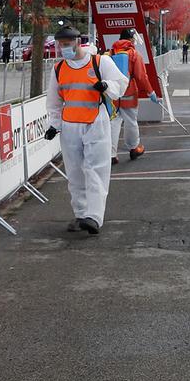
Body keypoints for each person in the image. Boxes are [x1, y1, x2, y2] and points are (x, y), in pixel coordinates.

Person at [43, 26, 127, 235]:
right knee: (75, 172)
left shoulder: (100, 62)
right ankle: (81, 214)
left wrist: (105, 86)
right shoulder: (59, 69)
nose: (63, 49)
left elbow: (121, 85)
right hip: (70, 124)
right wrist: (54, 125)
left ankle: (94, 217)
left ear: (77, 42)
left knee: (96, 169)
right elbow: (54, 101)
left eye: (67, 44)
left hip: (95, 122)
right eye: (60, 45)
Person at [107, 29, 154, 164]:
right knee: (131, 122)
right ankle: (134, 148)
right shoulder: (134, 54)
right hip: (129, 93)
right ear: (131, 39)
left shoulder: (110, 53)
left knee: (114, 123)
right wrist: (151, 92)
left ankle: (111, 154)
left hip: (114, 94)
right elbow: (141, 77)